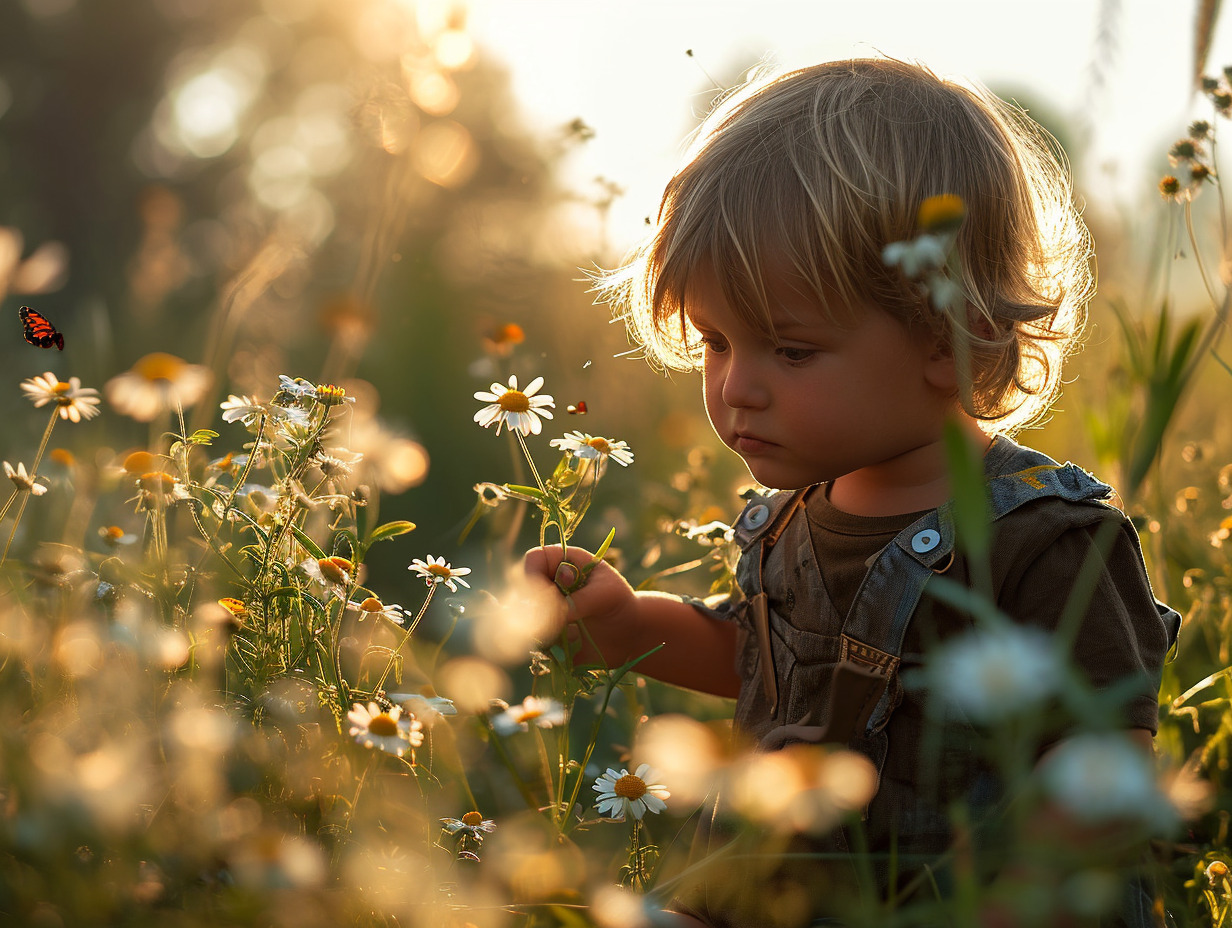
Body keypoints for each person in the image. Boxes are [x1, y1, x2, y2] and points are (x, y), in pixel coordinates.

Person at [524, 58, 1179, 926]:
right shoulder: (798, 516)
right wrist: (631, 625)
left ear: (953, 340)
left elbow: (1108, 767)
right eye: (717, 343)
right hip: (777, 894)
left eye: (790, 351)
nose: (736, 389)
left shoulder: (1050, 545)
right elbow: (766, 666)